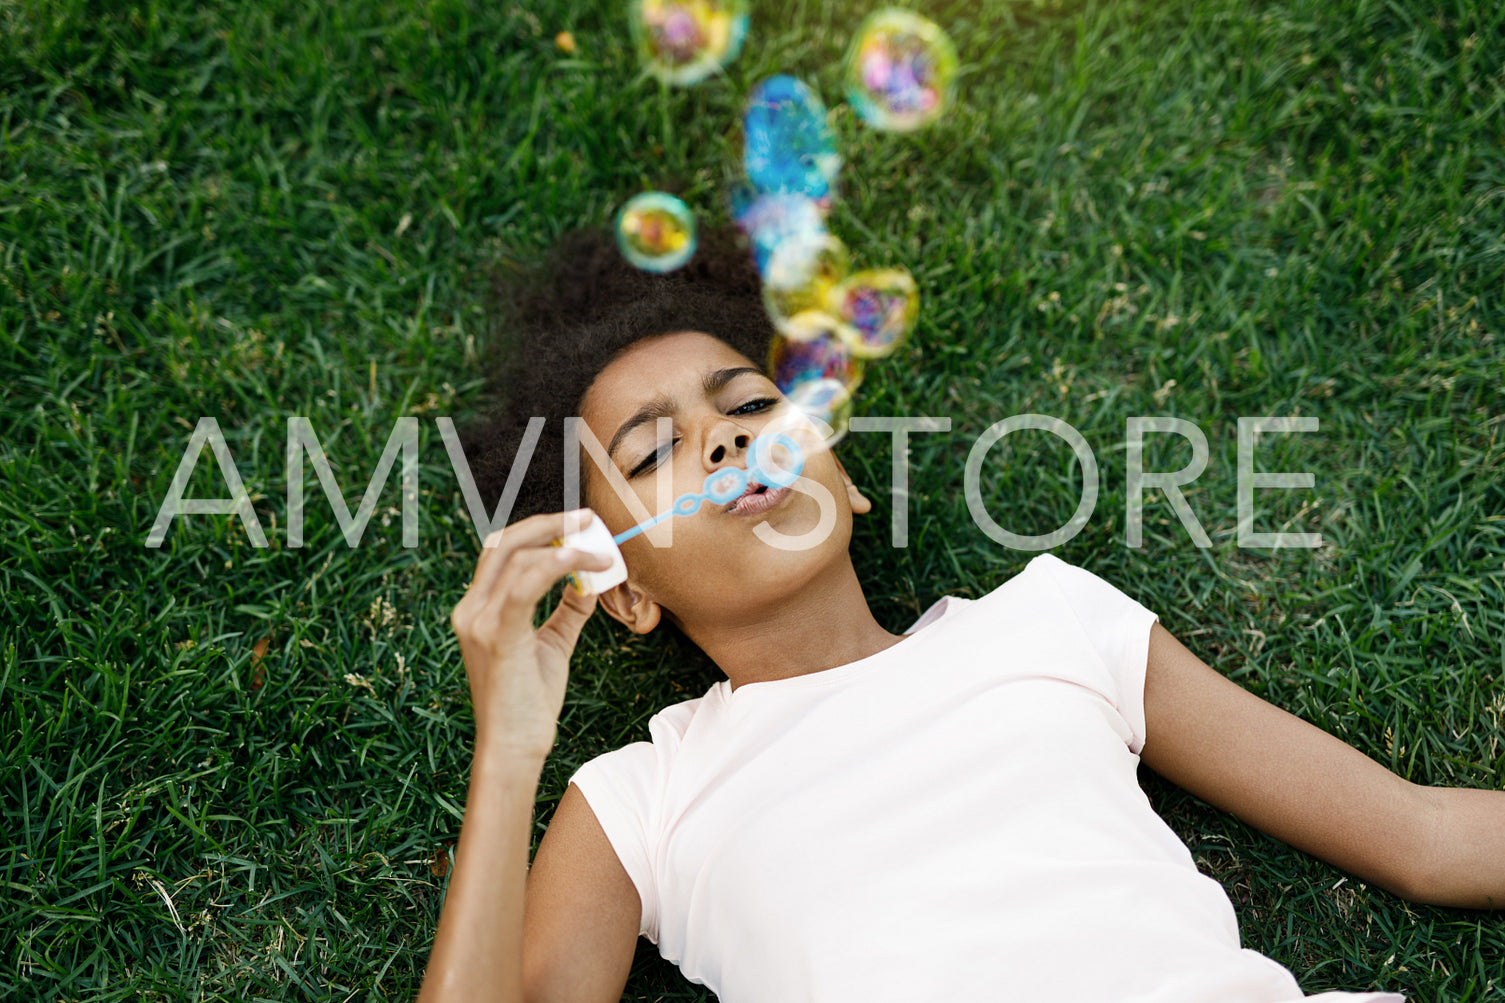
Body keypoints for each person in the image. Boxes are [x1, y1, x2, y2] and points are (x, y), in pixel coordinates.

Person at [417, 227, 1503, 1003]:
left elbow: (1419, 836)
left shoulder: (1051, 623)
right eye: (653, 450)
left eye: (751, 404)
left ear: (844, 480)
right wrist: (508, 754)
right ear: (625, 591)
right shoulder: (637, 802)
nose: (726, 439)